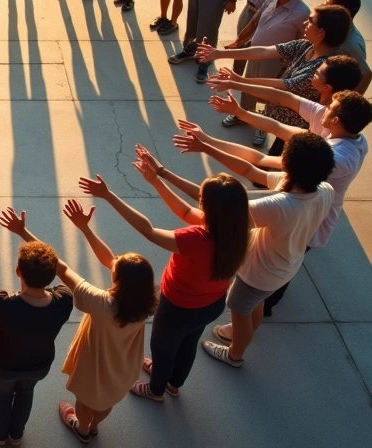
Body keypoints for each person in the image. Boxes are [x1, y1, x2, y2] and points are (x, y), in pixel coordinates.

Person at [80, 152, 250, 401]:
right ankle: (174, 384)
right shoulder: (236, 230)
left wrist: (109, 196)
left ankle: (156, 389)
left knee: (162, 349)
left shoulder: (196, 239)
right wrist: (155, 180)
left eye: (201, 198)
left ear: (211, 208)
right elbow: (185, 210)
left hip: (178, 308)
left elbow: (148, 231)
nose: (197, 199)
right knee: (188, 344)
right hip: (211, 305)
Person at [197, 88, 372, 316]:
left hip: (275, 258)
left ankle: (262, 310)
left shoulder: (284, 202)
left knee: (255, 294)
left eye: (330, 108)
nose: (324, 109)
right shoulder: (341, 156)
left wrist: (205, 146)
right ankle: (263, 303)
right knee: (290, 256)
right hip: (307, 223)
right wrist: (237, 115)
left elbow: (255, 167)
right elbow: (274, 136)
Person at [172, 132, 335, 367]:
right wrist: (206, 147)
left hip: (260, 273)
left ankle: (235, 354)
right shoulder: (324, 189)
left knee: (239, 308)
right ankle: (242, 330)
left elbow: (218, 208)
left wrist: (162, 175)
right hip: (284, 267)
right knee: (255, 304)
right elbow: (251, 171)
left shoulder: (280, 206)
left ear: (287, 164)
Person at [52, 199, 155, 442]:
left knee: (84, 402)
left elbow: (62, 269)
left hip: (94, 369)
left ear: (117, 279)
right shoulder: (148, 300)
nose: (112, 261)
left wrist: (22, 232)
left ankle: (82, 428)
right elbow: (110, 260)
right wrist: (85, 228)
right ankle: (94, 425)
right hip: (121, 371)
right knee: (105, 404)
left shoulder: (100, 303)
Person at [197, 4, 355, 154]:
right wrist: (220, 53)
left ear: (321, 33)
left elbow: (281, 87)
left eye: (310, 21)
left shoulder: (323, 68)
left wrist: (238, 82)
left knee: (277, 162)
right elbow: (265, 51)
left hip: (299, 129)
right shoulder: (308, 45)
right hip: (282, 117)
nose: (305, 23)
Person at [0, 209, 74, 444]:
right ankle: (16, 435)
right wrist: (23, 232)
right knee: (26, 393)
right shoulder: (64, 301)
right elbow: (62, 268)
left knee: (2, 398)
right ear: (53, 274)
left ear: (18, 271)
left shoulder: (3, 304)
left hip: (4, 366)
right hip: (39, 366)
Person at [220, 0, 310, 146]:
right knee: (248, 85)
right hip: (255, 55)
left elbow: (304, 45)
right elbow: (254, 22)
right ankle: (243, 114)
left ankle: (263, 127)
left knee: (270, 96)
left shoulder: (302, 14)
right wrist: (239, 41)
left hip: (277, 64)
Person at [324, 0, 372, 94]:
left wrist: (345, 100)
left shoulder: (351, 43)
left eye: (328, 5)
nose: (322, 7)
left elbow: (366, 74)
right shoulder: (333, 28)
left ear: (343, 11)